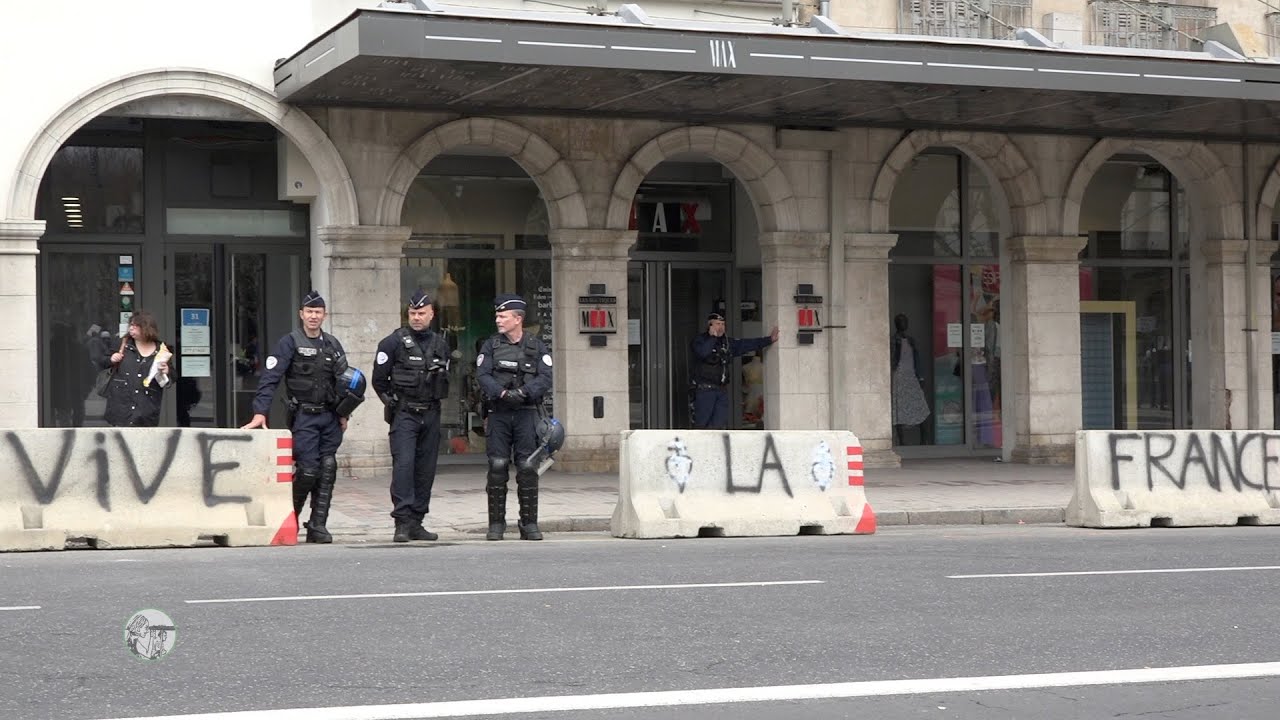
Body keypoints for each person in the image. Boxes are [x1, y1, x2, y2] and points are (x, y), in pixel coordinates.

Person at [241, 291, 353, 544]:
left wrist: (345, 414)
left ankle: (318, 525)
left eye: (318, 312)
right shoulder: (289, 342)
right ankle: (288, 518)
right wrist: (260, 412)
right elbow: (270, 379)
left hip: (330, 416)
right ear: (301, 314)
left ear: (324, 315)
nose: (313, 316)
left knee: (328, 468)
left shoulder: (333, 344)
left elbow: (345, 382)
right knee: (308, 470)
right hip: (304, 417)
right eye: (309, 312)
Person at [372, 289, 451, 543]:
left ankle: (417, 521)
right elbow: (378, 380)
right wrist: (391, 404)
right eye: (412, 313)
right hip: (405, 413)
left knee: (425, 470)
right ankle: (402, 523)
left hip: (431, 412)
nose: (416, 317)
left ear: (431, 314)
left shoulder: (441, 343)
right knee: (404, 467)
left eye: (421, 313)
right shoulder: (392, 342)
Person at [476, 293, 553, 541]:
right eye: (497, 315)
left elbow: (545, 377)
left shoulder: (537, 346)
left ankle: (529, 523)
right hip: (498, 413)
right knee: (497, 467)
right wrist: (501, 393)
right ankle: (496, 524)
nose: (498, 320)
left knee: (528, 468)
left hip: (526, 414)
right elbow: (482, 375)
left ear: (517, 319)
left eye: (502, 316)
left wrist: (522, 392)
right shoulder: (490, 345)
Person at [689, 311, 778, 430]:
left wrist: (769, 340)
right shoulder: (700, 340)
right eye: (717, 324)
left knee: (718, 425)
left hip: (721, 391)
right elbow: (703, 353)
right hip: (705, 391)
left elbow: (746, 344)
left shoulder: (726, 342)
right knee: (701, 426)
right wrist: (712, 338)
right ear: (710, 325)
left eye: (722, 324)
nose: (720, 327)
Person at [102, 310, 171, 428]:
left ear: (147, 327)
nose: (131, 328)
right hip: (121, 407)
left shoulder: (162, 350)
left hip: (147, 408)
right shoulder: (121, 344)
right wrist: (111, 359)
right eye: (131, 325)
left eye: (136, 325)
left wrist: (166, 372)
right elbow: (102, 362)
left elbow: (171, 377)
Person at [890, 313, 930, 445]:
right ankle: (901, 442)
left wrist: (921, 377)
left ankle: (924, 441)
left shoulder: (911, 340)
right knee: (899, 410)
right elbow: (892, 359)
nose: (904, 324)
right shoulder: (893, 340)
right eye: (901, 321)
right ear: (897, 324)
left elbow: (916, 360)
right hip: (899, 377)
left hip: (911, 376)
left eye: (905, 321)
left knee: (922, 409)